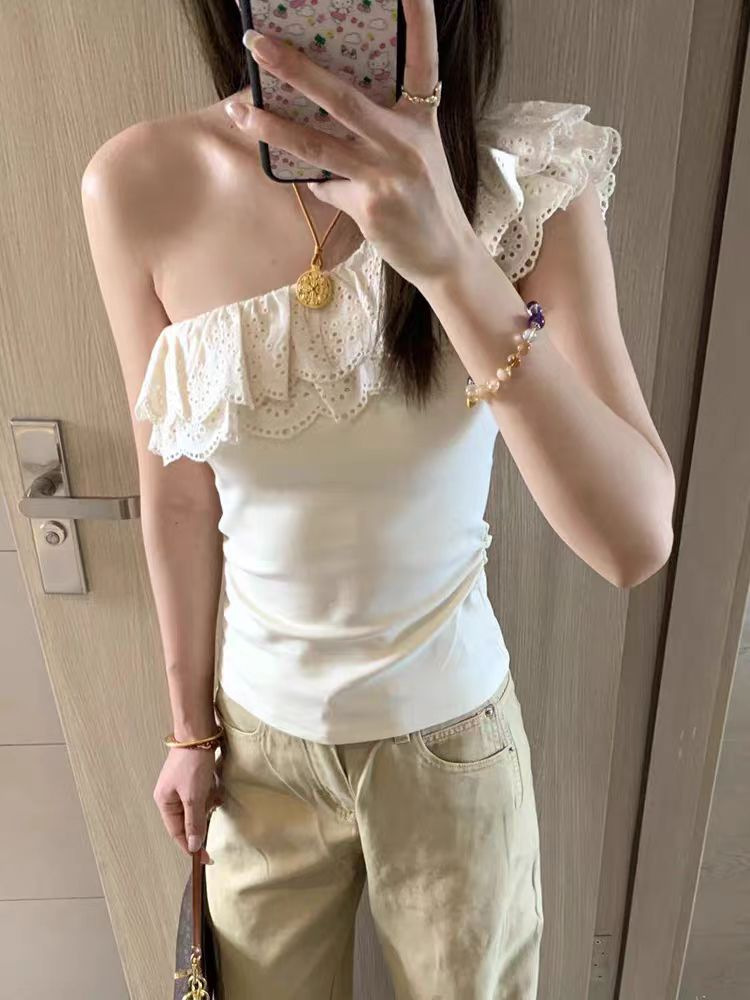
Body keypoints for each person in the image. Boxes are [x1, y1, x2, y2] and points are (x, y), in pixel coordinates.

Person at [81, 1, 675, 996]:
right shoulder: (140, 183)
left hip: (454, 736)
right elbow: (177, 494)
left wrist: (450, 259)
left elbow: (634, 538)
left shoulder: (524, 184)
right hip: (256, 749)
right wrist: (187, 730)